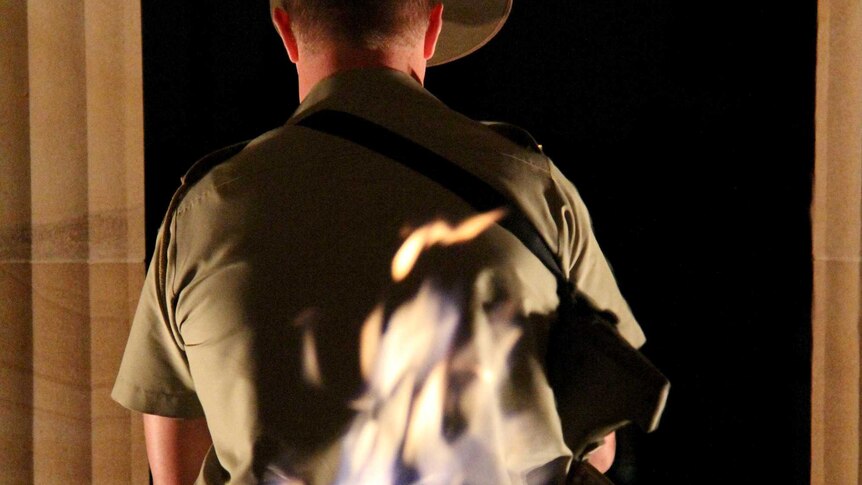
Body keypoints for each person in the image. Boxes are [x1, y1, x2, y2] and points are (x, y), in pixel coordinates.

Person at [112, 1, 648, 483]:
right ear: (434, 25)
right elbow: (598, 444)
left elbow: (174, 466)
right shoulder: (534, 190)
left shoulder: (204, 214)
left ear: (286, 32)